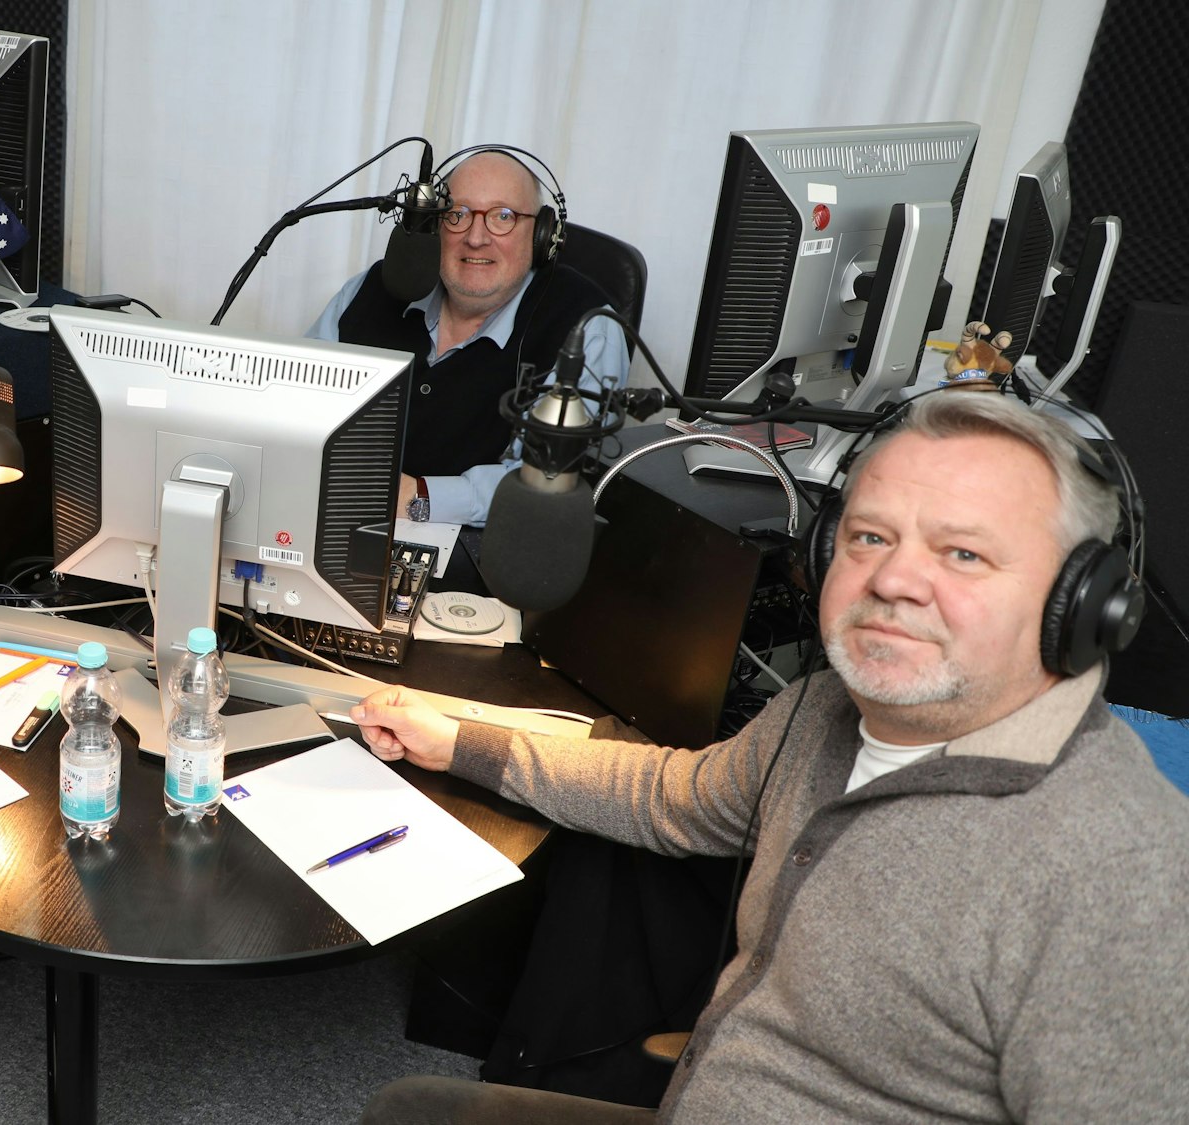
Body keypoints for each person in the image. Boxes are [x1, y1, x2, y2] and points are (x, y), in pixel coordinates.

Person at [351, 391, 1189, 1123]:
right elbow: (675, 796)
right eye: (867, 536)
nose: (893, 579)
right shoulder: (828, 708)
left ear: (1080, 604)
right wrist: (461, 741)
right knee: (408, 1108)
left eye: (962, 553)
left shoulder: (1122, 877)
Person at [309, 151, 629, 526]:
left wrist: (419, 497)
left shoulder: (587, 328)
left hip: (480, 556)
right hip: (332, 516)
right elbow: (295, 411)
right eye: (456, 215)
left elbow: (547, 479)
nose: (476, 238)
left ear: (544, 234)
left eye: (503, 217)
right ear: (434, 225)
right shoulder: (370, 290)